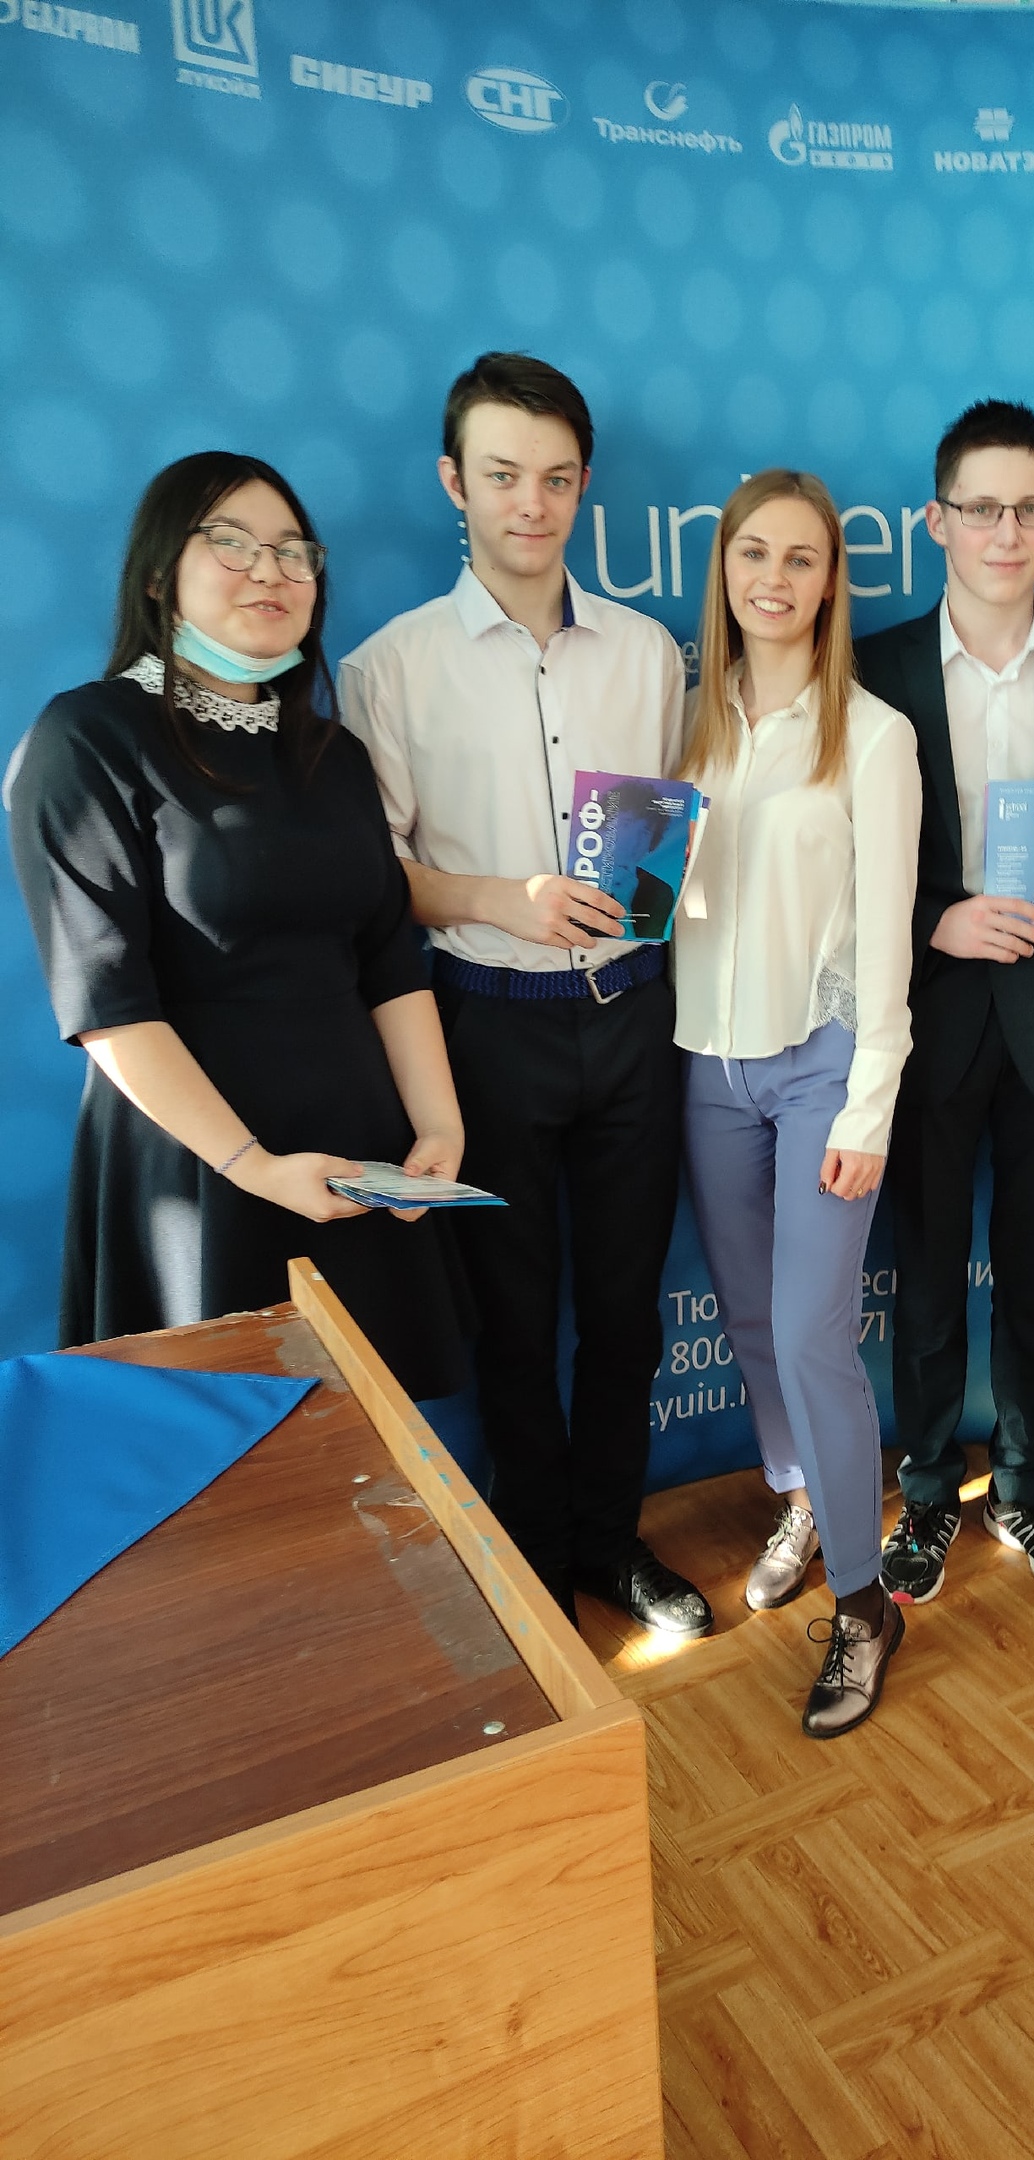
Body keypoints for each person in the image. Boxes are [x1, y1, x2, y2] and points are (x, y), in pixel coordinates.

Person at [340, 352, 712, 1638]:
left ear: (583, 485)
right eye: (502, 476)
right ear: (455, 483)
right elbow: (376, 879)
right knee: (511, 1318)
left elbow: (671, 834)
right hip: (483, 1025)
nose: (530, 504)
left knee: (623, 1312)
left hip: (633, 1013)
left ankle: (611, 1543)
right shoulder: (389, 667)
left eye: (555, 479)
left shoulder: (647, 654)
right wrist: (501, 897)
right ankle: (535, 1567)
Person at [7, 452, 468, 1397]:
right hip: (200, 1168)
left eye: (294, 552)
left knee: (374, 1445)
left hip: (359, 1158)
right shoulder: (87, 738)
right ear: (156, 575)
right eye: (231, 544)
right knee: (227, 1446)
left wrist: (438, 1126)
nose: (270, 571)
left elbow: (389, 960)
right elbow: (106, 1003)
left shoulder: (334, 755)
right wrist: (253, 1167)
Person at [855, 401, 1034, 1607]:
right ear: (937, 521)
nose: (1005, 531)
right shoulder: (871, 668)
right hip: (923, 1014)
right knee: (924, 1274)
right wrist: (937, 917)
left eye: (1028, 509)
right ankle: (927, 1492)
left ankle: (1026, 1486)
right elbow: (841, 859)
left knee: (1033, 1273)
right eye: (981, 508)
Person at [674, 470, 922, 1737]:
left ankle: (865, 1604)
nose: (772, 579)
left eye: (801, 559)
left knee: (810, 1328)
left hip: (823, 1064)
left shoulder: (873, 736)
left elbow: (886, 943)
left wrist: (867, 1108)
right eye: (752, 554)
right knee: (749, 1319)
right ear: (722, 569)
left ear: (831, 582)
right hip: (703, 1066)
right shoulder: (685, 724)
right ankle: (806, 1500)